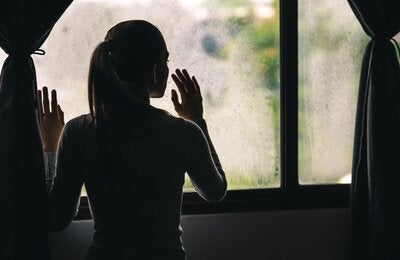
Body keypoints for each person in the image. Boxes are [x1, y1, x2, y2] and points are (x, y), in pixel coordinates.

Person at [38, 20, 227, 260]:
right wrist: (197, 120)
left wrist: (49, 147)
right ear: (156, 70)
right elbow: (215, 191)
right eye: (166, 60)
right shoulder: (183, 132)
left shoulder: (78, 132)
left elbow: (56, 219)